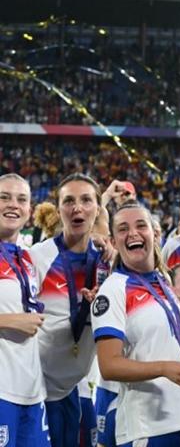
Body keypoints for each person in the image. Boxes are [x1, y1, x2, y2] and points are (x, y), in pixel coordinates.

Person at [92, 201, 180, 446]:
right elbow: (109, 365)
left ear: (155, 233)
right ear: (114, 241)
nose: (132, 233)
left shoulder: (166, 286)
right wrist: (164, 368)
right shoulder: (114, 288)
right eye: (122, 229)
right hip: (147, 427)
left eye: (140, 225)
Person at [29, 173, 109, 446]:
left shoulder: (106, 262)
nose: (77, 208)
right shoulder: (38, 256)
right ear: (59, 208)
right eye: (69, 201)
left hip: (73, 386)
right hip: (37, 387)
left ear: (97, 208)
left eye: (86, 200)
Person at [0, 173, 50, 447]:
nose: (13, 204)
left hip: (31, 391)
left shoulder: (28, 258)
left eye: (21, 199)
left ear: (29, 210)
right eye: (4, 197)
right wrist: (8, 321)